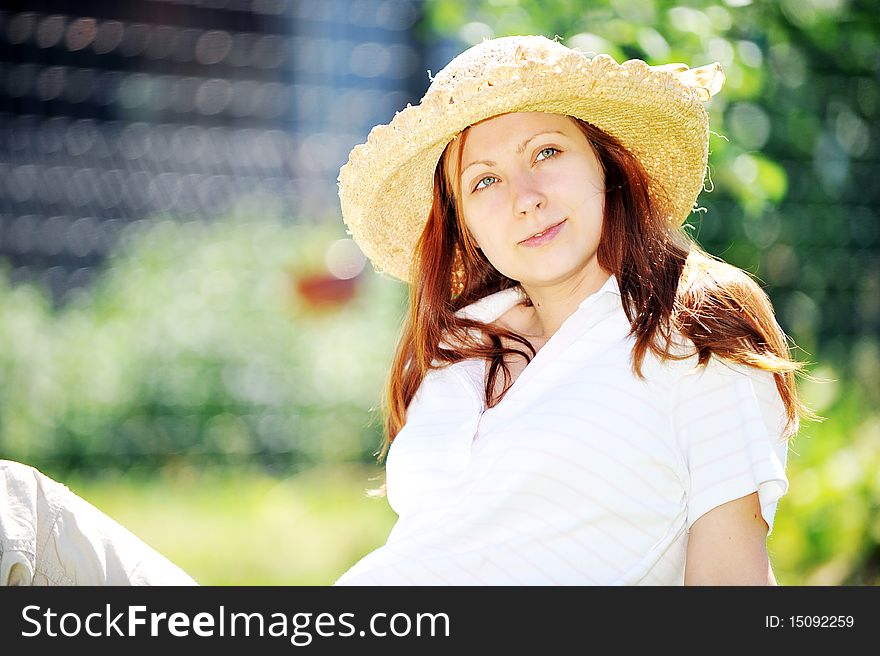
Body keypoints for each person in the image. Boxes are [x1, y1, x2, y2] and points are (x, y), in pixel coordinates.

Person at [332, 35, 811, 585]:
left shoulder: (691, 327)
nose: (525, 197)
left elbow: (731, 582)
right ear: (464, 222)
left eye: (546, 152)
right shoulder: (458, 348)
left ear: (606, 165)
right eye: (484, 180)